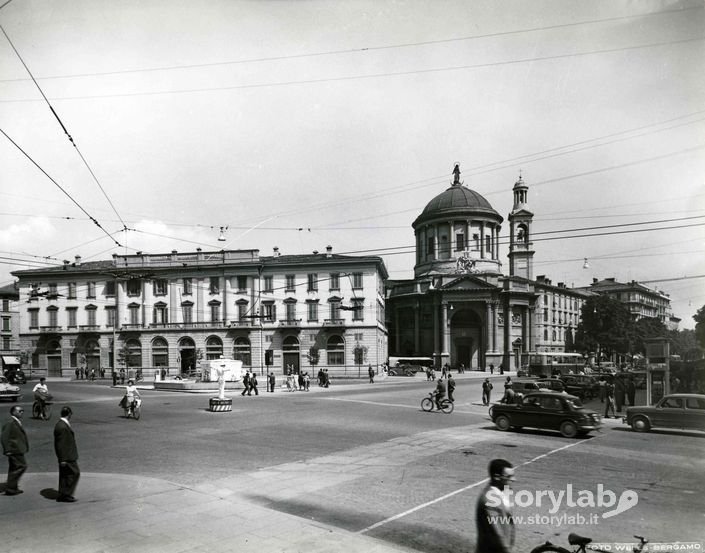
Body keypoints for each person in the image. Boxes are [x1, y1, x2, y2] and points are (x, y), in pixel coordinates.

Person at [475, 458, 515, 553]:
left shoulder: (501, 492)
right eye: (509, 477)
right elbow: (497, 533)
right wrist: (507, 549)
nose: (514, 479)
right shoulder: (490, 501)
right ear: (497, 477)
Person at [1, 406, 28, 496]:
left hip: (17, 449)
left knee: (14, 468)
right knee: (21, 466)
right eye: (20, 411)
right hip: (14, 450)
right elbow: (4, 437)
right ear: (13, 412)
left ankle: (13, 487)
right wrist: (7, 450)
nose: (22, 412)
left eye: (22, 411)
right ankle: (11, 488)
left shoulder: (16, 421)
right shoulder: (10, 422)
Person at [54, 406, 80, 502]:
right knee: (75, 473)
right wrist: (63, 459)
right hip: (67, 456)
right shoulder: (63, 427)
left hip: (66, 456)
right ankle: (66, 494)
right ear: (69, 414)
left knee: (65, 475)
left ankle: (63, 494)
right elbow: (61, 444)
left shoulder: (60, 424)